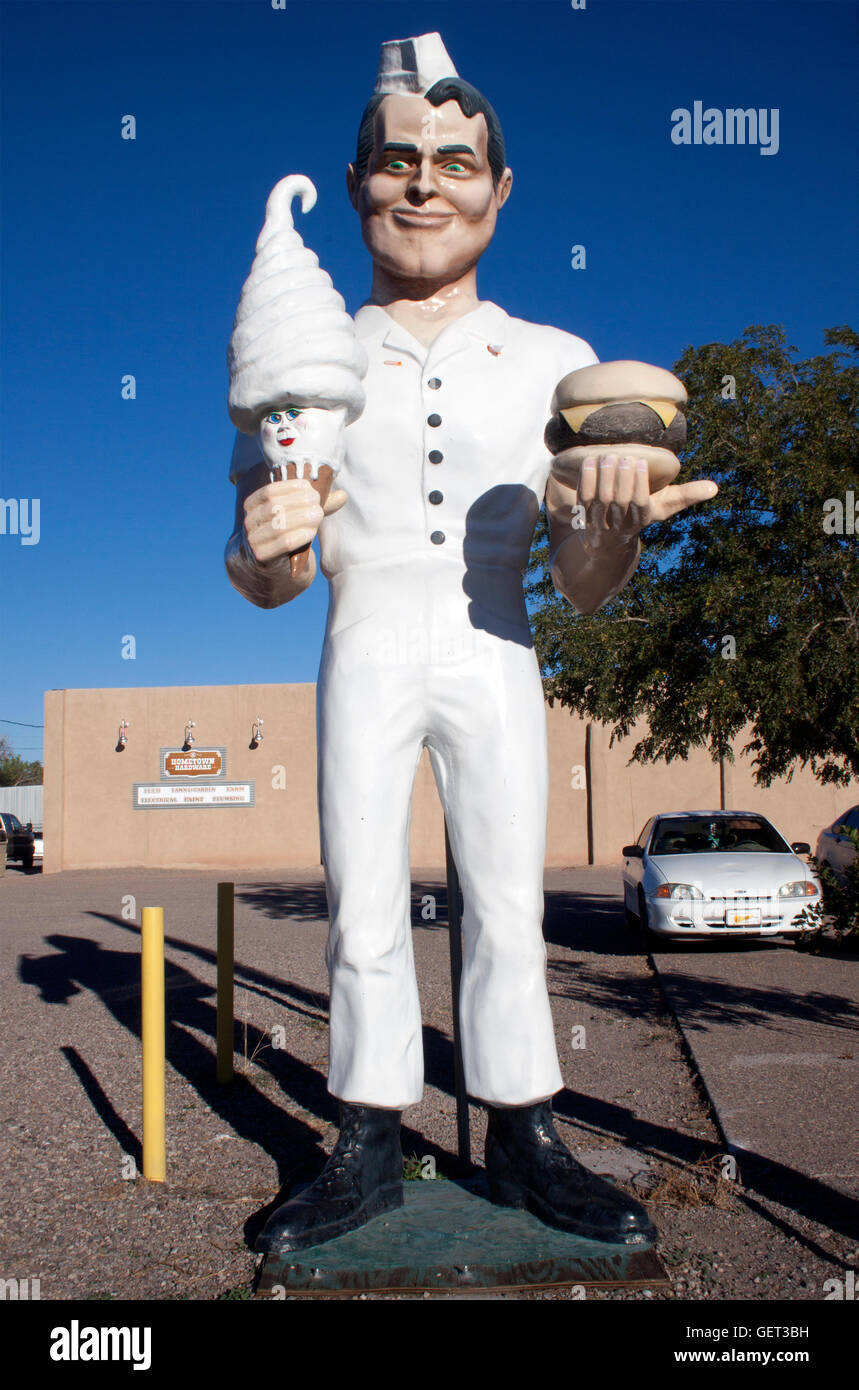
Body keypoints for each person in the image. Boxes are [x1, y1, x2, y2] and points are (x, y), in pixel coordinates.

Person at [225, 33, 717, 1252]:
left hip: (496, 639)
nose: (424, 181)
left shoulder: (558, 363)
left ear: (501, 189)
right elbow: (263, 577)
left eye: (456, 159)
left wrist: (607, 529)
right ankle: (366, 1135)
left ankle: (523, 1127)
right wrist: (267, 535)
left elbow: (585, 584)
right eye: (395, 160)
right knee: (363, 896)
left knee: (506, 896)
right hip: (367, 640)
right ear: (356, 189)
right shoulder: (308, 359)